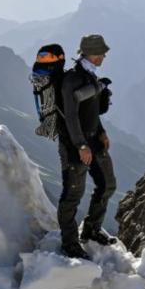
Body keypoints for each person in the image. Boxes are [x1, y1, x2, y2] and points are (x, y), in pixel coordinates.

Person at [57, 34, 118, 259]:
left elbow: (90, 111)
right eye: (101, 52)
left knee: (107, 184)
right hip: (75, 145)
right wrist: (81, 145)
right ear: (91, 54)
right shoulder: (71, 80)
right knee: (72, 194)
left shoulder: (90, 76)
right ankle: (70, 244)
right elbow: (71, 117)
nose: (104, 55)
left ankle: (91, 230)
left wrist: (101, 132)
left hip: (93, 139)